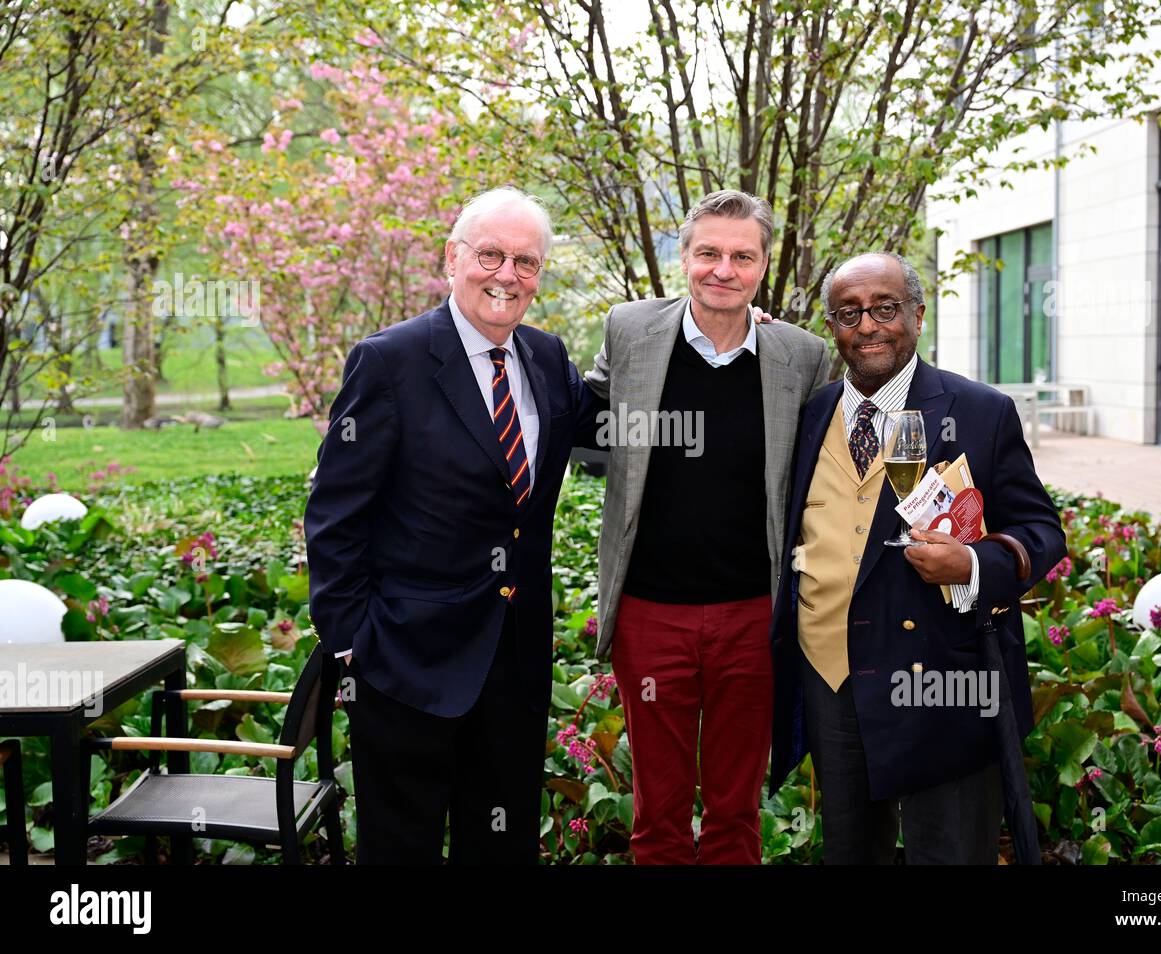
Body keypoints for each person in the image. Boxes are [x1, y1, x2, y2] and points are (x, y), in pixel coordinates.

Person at [305, 187, 601, 864]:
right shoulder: (390, 362)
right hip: (406, 661)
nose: (507, 275)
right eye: (490, 255)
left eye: (526, 262)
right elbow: (333, 514)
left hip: (515, 661)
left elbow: (618, 423)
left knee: (501, 844)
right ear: (453, 259)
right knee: (401, 848)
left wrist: (722, 329)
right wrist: (354, 645)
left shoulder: (549, 360)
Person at [769, 251, 1066, 864]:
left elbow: (1040, 529)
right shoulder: (808, 415)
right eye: (849, 313)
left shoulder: (979, 412)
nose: (868, 326)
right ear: (833, 328)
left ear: (918, 315)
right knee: (850, 853)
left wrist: (976, 564)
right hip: (833, 677)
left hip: (942, 679)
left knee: (950, 853)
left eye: (885, 308)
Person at [584, 190, 829, 864]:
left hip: (753, 613)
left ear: (763, 266)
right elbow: (582, 422)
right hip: (648, 611)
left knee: (735, 808)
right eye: (708, 253)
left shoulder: (801, 357)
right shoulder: (630, 331)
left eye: (741, 256)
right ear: (684, 258)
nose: (723, 269)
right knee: (656, 810)